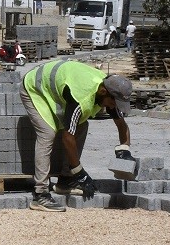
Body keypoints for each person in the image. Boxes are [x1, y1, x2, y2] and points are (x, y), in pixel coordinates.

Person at [19, 60, 132, 212]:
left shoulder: (108, 91)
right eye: (113, 103)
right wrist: (80, 172)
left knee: (82, 124)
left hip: (59, 86)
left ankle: (65, 181)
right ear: (103, 92)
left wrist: (125, 149)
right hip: (35, 87)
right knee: (47, 133)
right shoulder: (81, 97)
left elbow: (121, 125)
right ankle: (41, 194)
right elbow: (67, 137)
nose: (113, 107)